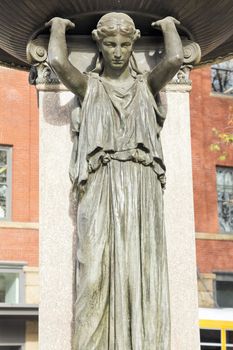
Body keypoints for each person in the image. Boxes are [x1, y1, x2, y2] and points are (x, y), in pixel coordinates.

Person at [46, 12, 183, 350]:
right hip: (101, 184)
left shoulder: (145, 86)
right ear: (99, 44)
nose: (118, 51)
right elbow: (57, 63)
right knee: (92, 272)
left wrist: (168, 28)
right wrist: (59, 27)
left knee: (143, 273)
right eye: (110, 44)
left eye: (124, 44)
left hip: (141, 185)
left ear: (133, 43)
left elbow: (176, 59)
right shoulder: (90, 86)